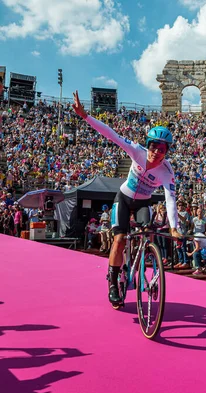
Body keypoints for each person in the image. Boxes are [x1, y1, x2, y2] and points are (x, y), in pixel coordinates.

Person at [71, 90, 181, 305]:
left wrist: (174, 227)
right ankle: (113, 282)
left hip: (143, 203)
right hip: (124, 198)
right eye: (153, 146)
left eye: (161, 149)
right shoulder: (136, 151)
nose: (156, 152)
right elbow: (110, 134)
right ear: (147, 144)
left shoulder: (167, 172)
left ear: (166, 151)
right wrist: (85, 116)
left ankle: (144, 264)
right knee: (120, 239)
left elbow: (170, 199)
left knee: (148, 236)